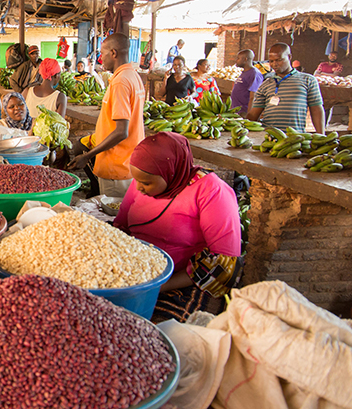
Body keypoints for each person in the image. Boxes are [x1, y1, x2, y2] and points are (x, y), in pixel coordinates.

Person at [114, 132, 242, 322]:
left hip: (180, 282)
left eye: (146, 182)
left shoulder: (210, 191)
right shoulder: (140, 182)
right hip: (134, 275)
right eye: (136, 179)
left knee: (156, 330)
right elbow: (120, 226)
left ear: (170, 172)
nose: (138, 187)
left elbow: (225, 262)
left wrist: (155, 286)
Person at [69, 33, 145, 198]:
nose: (101, 59)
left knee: (113, 218)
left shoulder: (120, 82)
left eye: (103, 54)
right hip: (130, 161)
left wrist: (88, 155)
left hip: (116, 166)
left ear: (114, 53)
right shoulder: (133, 76)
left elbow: (121, 131)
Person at [247, 43, 325, 134]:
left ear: (289, 56)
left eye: (278, 60)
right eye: (271, 61)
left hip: (295, 137)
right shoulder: (265, 85)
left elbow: (316, 109)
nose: (274, 64)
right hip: (268, 136)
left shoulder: (308, 80)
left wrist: (321, 135)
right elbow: (254, 114)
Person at [231, 49, 263, 116]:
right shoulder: (244, 72)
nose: (236, 60)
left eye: (238, 58)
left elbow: (253, 97)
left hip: (244, 112)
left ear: (245, 59)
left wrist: (249, 115)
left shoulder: (254, 74)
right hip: (236, 111)